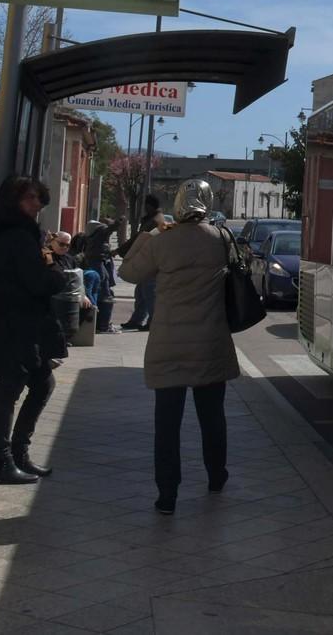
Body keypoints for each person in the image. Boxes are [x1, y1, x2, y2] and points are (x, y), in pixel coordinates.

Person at [119, 179, 239, 515]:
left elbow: (128, 272)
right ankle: (216, 476)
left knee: (167, 423)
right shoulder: (221, 238)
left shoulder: (163, 241)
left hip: (168, 345)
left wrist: (150, 234)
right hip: (210, 342)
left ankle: (167, 494)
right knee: (212, 416)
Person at [0, 176, 70, 484]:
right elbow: (38, 282)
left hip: (16, 321)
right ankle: (1, 460)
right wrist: (56, 271)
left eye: (39, 198)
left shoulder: (9, 230)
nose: (37, 204)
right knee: (10, 388)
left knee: (41, 383)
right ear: (13, 200)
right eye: (30, 198)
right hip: (14, 322)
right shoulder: (16, 235)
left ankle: (17, 453)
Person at [118, 196, 165, 330]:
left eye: (146, 206)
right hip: (147, 260)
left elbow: (138, 239)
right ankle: (137, 320)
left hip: (150, 261)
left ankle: (152, 321)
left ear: (150, 206)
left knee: (149, 292)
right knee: (141, 292)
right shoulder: (155, 219)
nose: (145, 208)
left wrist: (121, 250)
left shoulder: (155, 221)